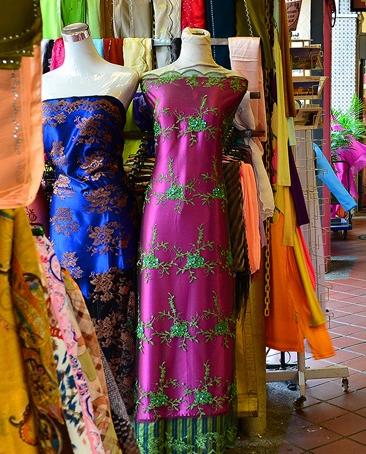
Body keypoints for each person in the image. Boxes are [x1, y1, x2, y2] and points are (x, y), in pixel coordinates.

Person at [134, 28, 248, 453]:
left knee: (207, 315)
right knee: (160, 320)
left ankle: (206, 433)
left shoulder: (233, 83)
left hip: (208, 215)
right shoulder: (150, 81)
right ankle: (158, 430)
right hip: (162, 216)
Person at [42, 22, 140, 416]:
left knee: (115, 299)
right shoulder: (41, 83)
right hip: (65, 213)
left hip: (111, 212)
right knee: (70, 299)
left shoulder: (124, 76)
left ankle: (120, 410)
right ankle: (82, 411)